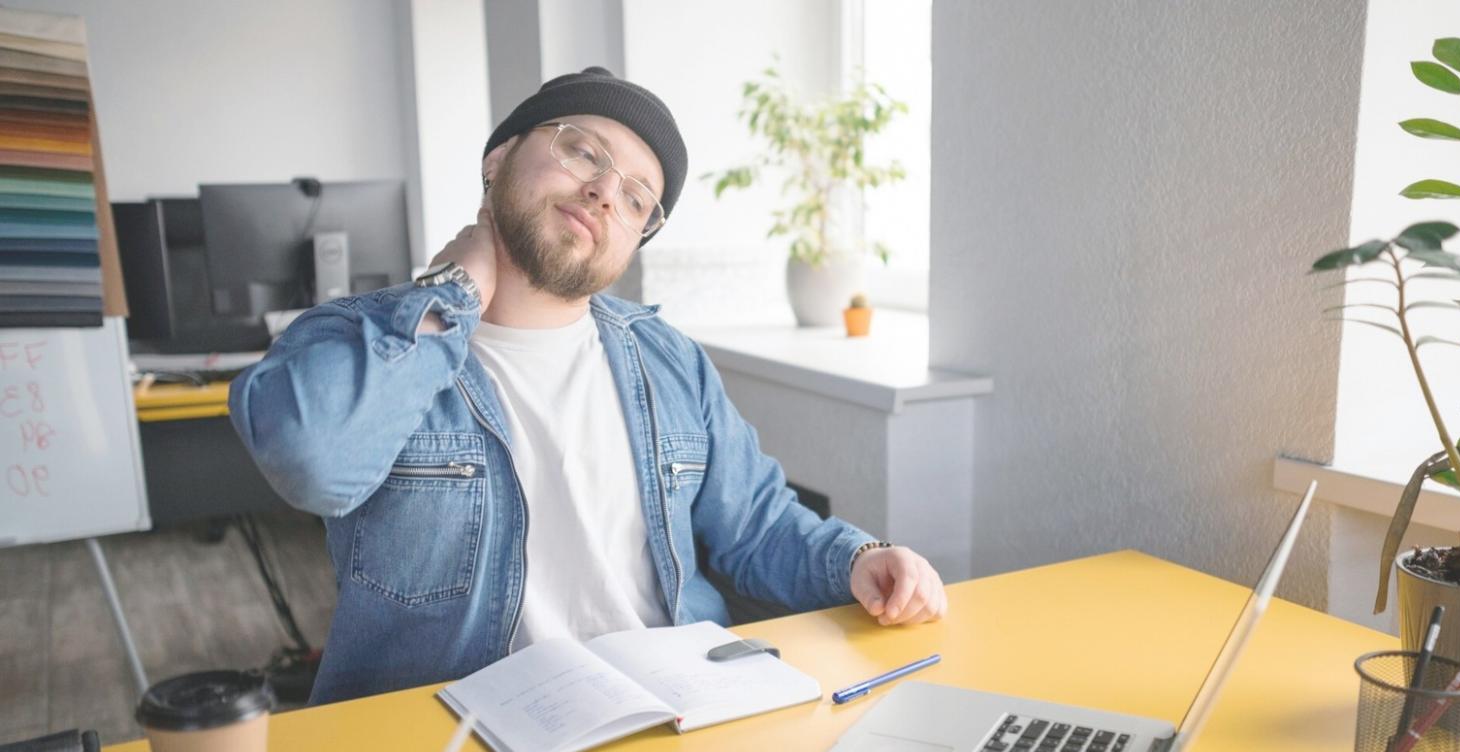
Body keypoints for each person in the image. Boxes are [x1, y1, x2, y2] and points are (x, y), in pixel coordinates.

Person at [230, 67, 947, 705]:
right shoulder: (360, 337)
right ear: (500, 158)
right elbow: (312, 462)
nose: (607, 192)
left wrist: (861, 558)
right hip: (451, 742)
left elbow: (757, 526)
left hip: (673, 710)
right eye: (583, 152)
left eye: (639, 198)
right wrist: (453, 292)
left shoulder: (667, 360)